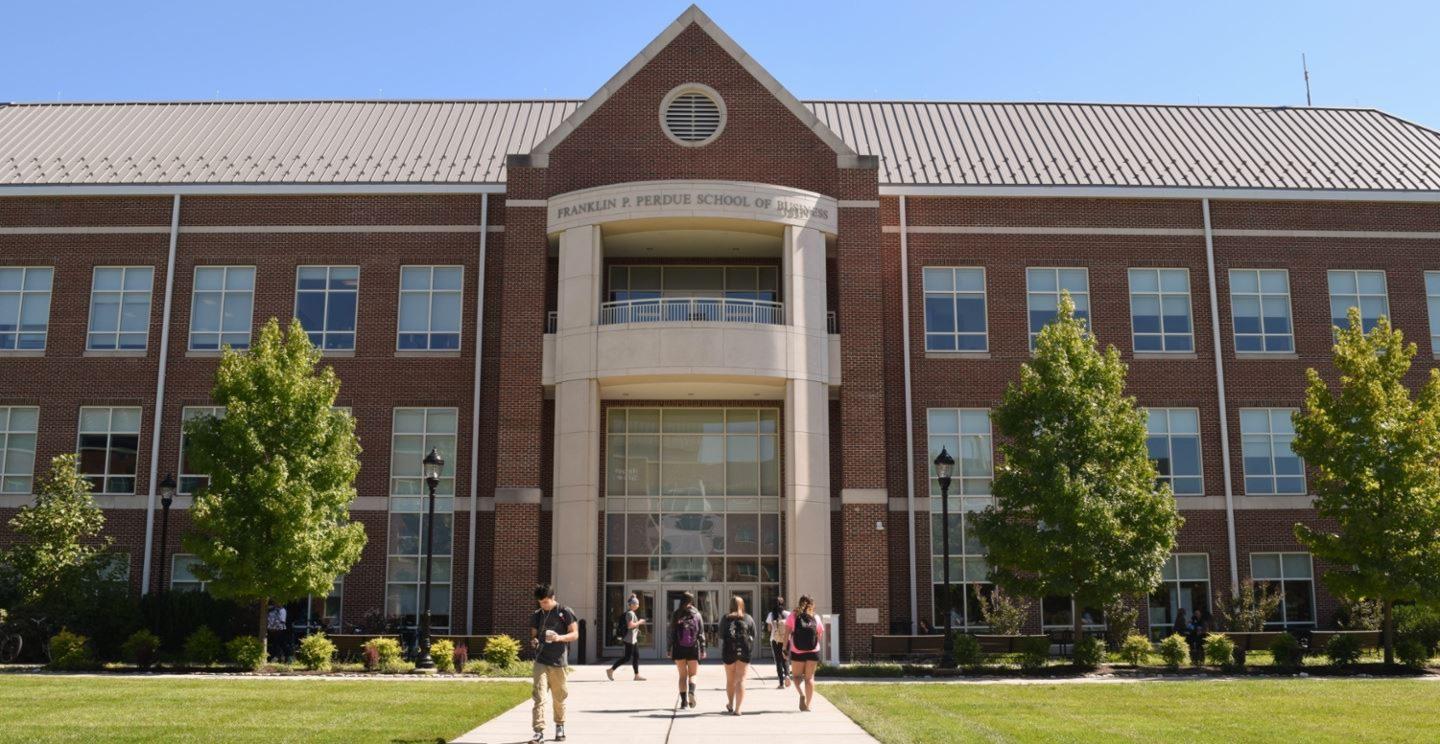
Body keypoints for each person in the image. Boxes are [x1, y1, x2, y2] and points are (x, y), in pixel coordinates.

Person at [530, 583, 579, 743]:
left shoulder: (565, 612)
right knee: (539, 697)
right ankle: (538, 731)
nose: (542, 604)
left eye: (545, 601)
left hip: (558, 662)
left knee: (559, 697)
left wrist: (559, 638)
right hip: (541, 661)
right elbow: (534, 636)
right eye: (540, 602)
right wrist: (534, 641)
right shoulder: (537, 615)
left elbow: (575, 634)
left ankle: (560, 726)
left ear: (553, 598)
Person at [786, 595, 824, 712]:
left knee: (796, 676)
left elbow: (786, 634)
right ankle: (808, 705)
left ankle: (801, 694)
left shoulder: (793, 616)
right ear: (812, 605)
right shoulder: (816, 617)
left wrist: (784, 648)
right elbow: (820, 634)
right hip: (813, 651)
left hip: (797, 650)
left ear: (800, 603)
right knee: (809, 678)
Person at [669, 591, 705, 709]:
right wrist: (703, 648)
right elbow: (701, 633)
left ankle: (683, 702)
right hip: (693, 647)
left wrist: (669, 648)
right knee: (693, 674)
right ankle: (692, 692)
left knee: (682, 676)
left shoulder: (676, 614)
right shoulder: (697, 614)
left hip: (679, 647)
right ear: (691, 601)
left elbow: (672, 633)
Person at [720, 595, 756, 715]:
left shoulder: (725, 618)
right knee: (740, 680)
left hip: (729, 650)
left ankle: (730, 703)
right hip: (744, 651)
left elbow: (720, 635)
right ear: (742, 605)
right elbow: (753, 634)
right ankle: (738, 709)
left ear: (730, 605)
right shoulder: (748, 618)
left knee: (730, 680)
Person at [607, 594, 646, 681]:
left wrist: (637, 629)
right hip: (629, 638)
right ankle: (611, 670)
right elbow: (630, 626)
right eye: (637, 604)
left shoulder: (631, 613)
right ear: (632, 605)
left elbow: (632, 626)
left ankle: (637, 675)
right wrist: (639, 622)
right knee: (627, 658)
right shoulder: (630, 613)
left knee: (636, 656)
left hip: (633, 638)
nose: (638, 605)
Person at [764, 596, 791, 689]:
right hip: (786, 640)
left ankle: (781, 683)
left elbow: (769, 629)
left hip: (774, 640)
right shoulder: (788, 614)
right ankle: (787, 675)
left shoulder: (771, 615)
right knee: (785, 658)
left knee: (778, 661)